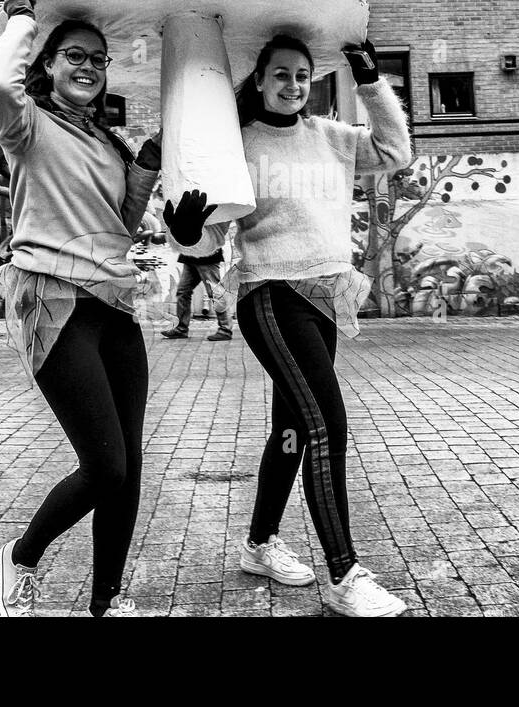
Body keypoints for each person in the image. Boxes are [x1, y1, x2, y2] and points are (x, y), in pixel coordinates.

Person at [164, 35, 413, 617]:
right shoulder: (239, 146)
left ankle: (259, 544)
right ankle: (343, 573)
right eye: (281, 74)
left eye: (302, 75)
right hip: (270, 296)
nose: (293, 85)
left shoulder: (333, 137)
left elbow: (395, 149)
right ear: (259, 79)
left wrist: (369, 78)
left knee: (294, 430)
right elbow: (207, 240)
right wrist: (183, 229)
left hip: (323, 295)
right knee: (326, 422)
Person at [0, 0, 161, 618]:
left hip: (114, 307)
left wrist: (147, 170)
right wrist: (24, 18)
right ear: (49, 66)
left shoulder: (108, 143)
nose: (89, 67)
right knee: (105, 466)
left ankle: (106, 601)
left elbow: (122, 224)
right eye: (75, 56)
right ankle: (22, 557)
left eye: (100, 59)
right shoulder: (27, 124)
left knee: (129, 465)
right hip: (52, 300)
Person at [160, 247, 233, 341]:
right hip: (190, 255)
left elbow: (217, 232)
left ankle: (225, 329)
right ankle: (181, 329)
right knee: (183, 292)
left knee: (215, 293)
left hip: (207, 255)